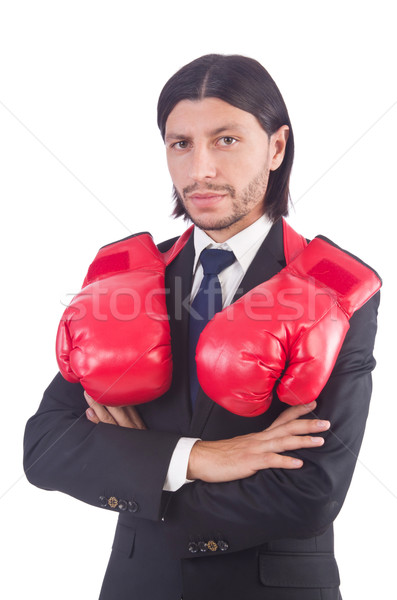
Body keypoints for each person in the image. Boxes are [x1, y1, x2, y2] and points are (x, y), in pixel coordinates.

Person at [23, 54, 380, 600]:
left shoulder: (336, 286)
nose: (200, 170)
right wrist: (199, 459)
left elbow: (311, 491)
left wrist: (141, 472)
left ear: (277, 147)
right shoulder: (123, 279)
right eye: (180, 143)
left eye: (226, 140)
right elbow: (47, 447)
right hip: (137, 587)